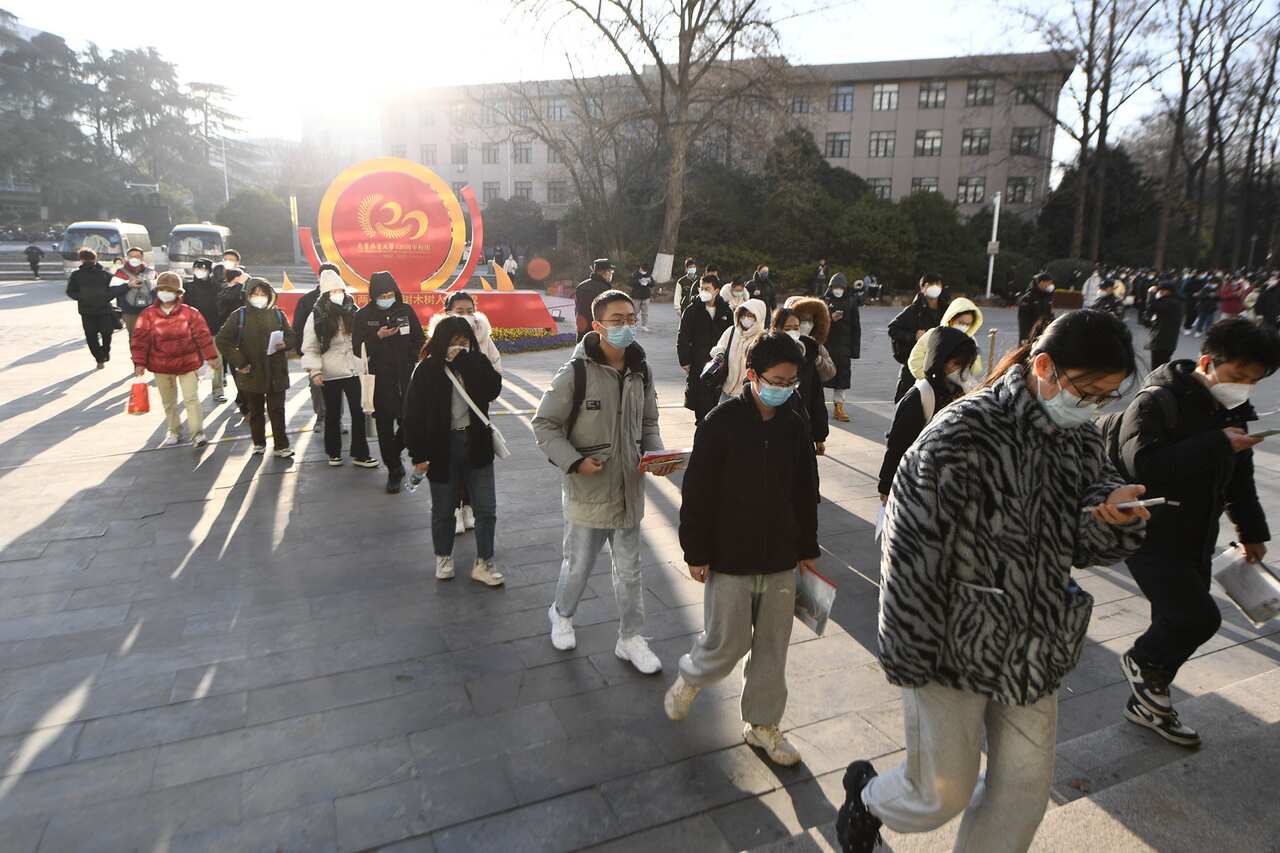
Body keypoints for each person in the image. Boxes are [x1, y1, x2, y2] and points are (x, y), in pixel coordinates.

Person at [836, 309, 1149, 853]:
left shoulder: (1077, 437)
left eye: (1107, 396)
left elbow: (1081, 530)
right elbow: (909, 550)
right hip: (950, 645)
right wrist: (910, 654)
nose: (1095, 407)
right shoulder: (961, 434)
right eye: (1087, 391)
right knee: (939, 790)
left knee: (1024, 791)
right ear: (1044, 365)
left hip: (1035, 639)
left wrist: (1110, 514)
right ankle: (866, 799)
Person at [1108, 317, 1280, 748]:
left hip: (1198, 534)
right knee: (1196, 617)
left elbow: (1238, 480)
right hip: (1150, 534)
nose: (1243, 386)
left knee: (1175, 618)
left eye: (1253, 381)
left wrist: (1252, 531)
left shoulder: (1234, 411)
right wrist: (1217, 443)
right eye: (1237, 375)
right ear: (1207, 361)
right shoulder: (1156, 402)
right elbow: (1143, 468)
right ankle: (1143, 663)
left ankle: (1149, 702)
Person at [664, 332, 820, 766]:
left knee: (773, 648)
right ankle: (693, 677)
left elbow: (807, 489)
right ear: (751, 375)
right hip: (730, 556)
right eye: (777, 379)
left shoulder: (795, 423)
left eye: (792, 381)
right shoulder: (721, 422)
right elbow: (697, 492)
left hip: (781, 559)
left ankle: (763, 724)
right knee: (726, 642)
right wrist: (696, 550)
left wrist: (807, 545)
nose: (785, 388)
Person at [533, 289, 672, 674]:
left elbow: (649, 422)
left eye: (631, 318)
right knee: (578, 564)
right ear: (597, 325)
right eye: (617, 320)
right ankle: (562, 614)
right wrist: (575, 463)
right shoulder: (575, 373)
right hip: (588, 491)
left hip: (629, 488)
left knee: (630, 570)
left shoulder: (641, 369)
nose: (627, 326)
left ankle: (631, 638)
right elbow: (544, 424)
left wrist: (656, 455)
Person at [402, 315, 505, 588]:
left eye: (464, 342)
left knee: (486, 508)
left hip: (476, 444)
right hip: (441, 448)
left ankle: (484, 562)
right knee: (444, 508)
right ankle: (443, 557)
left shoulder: (477, 362)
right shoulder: (426, 370)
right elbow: (412, 416)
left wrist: (470, 364)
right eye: (453, 342)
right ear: (440, 342)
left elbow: (494, 389)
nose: (459, 347)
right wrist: (419, 456)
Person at [877, 327, 979, 502]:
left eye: (965, 364)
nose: (961, 370)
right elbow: (897, 444)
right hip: (916, 482)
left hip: (948, 485)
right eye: (955, 363)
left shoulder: (959, 391)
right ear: (939, 359)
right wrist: (886, 484)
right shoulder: (920, 395)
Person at [428, 291, 502, 531]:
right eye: (460, 312)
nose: (467, 316)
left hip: (475, 411)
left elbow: (495, 370)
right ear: (447, 312)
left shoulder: (484, 337)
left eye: (470, 311)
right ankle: (456, 510)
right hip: (445, 417)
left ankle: (468, 507)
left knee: (476, 463)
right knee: (451, 467)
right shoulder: (439, 338)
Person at [353, 270, 425, 493]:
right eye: (382, 294)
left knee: (409, 422)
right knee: (384, 426)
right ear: (374, 295)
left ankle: (395, 452)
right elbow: (357, 348)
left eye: (390, 293)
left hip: (406, 378)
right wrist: (378, 337)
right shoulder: (363, 316)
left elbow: (419, 338)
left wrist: (412, 358)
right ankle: (394, 470)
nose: (387, 297)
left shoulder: (405, 310)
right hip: (380, 381)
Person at [130, 272, 219, 447]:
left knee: (191, 398)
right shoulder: (148, 314)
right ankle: (173, 430)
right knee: (169, 402)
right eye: (161, 289)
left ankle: (197, 433)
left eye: (169, 290)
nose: (165, 293)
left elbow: (203, 336)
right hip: (160, 365)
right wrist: (139, 363)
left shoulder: (190, 313)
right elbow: (140, 340)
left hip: (188, 363)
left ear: (178, 293)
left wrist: (211, 357)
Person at [301, 270, 377, 468]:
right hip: (330, 372)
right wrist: (315, 371)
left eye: (340, 290)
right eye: (332, 291)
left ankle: (360, 454)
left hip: (353, 370)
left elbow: (363, 339)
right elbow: (310, 346)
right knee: (333, 414)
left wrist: (366, 361)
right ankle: (333, 452)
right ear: (325, 293)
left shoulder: (353, 310)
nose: (337, 293)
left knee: (359, 413)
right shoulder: (317, 315)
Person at [215, 277, 296, 458]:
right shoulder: (239, 315)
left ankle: (281, 446)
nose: (259, 297)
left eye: (263, 294)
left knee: (277, 410)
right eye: (255, 294)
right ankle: (258, 443)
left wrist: (285, 343)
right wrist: (240, 362)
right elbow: (222, 340)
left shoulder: (277, 314)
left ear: (270, 296)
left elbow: (291, 336)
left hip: (276, 371)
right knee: (256, 410)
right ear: (248, 296)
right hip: (251, 371)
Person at [677, 274, 734, 425]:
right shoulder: (692, 310)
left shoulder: (726, 311)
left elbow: (732, 336)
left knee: (719, 408)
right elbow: (683, 336)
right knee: (702, 410)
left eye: (707, 289)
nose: (703, 291)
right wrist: (684, 360)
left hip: (720, 364)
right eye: (701, 288)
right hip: (698, 364)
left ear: (716, 291)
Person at [773, 308, 829, 456]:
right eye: (787, 328)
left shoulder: (809, 352)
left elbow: (816, 396)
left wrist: (819, 436)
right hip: (773, 429)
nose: (792, 332)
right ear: (776, 328)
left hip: (802, 427)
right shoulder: (766, 352)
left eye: (796, 328)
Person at [293, 264, 343, 432]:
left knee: (338, 390)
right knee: (317, 387)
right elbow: (299, 328)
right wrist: (305, 354)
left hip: (340, 357)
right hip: (318, 354)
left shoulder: (345, 301)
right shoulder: (308, 301)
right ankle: (321, 418)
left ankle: (338, 420)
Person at [887, 273, 949, 403]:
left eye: (937, 284)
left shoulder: (947, 310)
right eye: (930, 285)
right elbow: (893, 329)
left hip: (938, 363)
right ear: (922, 289)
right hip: (914, 362)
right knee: (905, 401)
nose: (935, 287)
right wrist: (913, 336)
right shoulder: (913, 310)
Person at [905, 295, 985, 393]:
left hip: (959, 389)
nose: (964, 327)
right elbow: (915, 360)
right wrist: (929, 379)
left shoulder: (969, 341)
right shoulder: (934, 335)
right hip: (930, 388)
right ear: (951, 319)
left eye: (968, 324)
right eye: (961, 322)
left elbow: (976, 368)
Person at [66, 247, 125, 369]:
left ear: (95, 258)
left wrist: (105, 297)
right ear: (82, 260)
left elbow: (115, 288)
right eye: (86, 259)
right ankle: (99, 357)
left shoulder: (104, 274)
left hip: (103, 310)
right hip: (87, 311)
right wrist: (83, 297)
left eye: (91, 258)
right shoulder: (76, 275)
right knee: (92, 336)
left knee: (105, 333)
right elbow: (71, 291)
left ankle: (104, 353)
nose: (89, 261)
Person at [709, 298, 768, 403]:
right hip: (726, 391)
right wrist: (719, 354)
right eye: (743, 315)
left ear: (759, 316)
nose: (745, 318)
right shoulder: (731, 331)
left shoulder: (763, 338)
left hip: (748, 395)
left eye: (750, 316)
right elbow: (720, 347)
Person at [183, 258, 225, 402]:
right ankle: (191, 389)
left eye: (203, 268)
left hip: (213, 328)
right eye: (197, 268)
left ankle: (218, 390)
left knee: (216, 360)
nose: (200, 270)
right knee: (192, 361)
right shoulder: (187, 287)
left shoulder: (217, 287)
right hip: (193, 331)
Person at [823, 273, 861, 421]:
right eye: (835, 287)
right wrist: (829, 319)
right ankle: (817, 405)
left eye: (841, 287)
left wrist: (854, 350)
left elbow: (856, 327)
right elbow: (817, 323)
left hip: (844, 347)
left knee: (842, 378)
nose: (838, 290)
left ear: (845, 288)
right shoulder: (824, 301)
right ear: (830, 288)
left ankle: (839, 407)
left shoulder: (851, 302)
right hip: (826, 346)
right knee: (820, 376)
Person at [114, 247, 156, 339]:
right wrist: (128, 286)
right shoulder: (120, 272)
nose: (134, 259)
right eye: (131, 256)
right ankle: (135, 353)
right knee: (134, 336)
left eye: (137, 256)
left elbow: (157, 290)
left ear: (142, 258)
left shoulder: (151, 272)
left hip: (148, 311)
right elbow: (113, 291)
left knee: (149, 336)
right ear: (127, 258)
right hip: (129, 311)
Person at [1143, 279, 1184, 371]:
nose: (1160, 293)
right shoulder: (1175, 301)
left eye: (1161, 290)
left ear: (1168, 291)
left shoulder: (1170, 302)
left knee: (1158, 366)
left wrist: (1150, 293)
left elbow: (1151, 306)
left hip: (1162, 340)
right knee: (1162, 365)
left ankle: (1157, 383)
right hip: (1166, 340)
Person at [575, 258, 615, 341]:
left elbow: (577, 309)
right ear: (603, 272)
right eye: (610, 271)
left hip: (582, 329)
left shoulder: (582, 286)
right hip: (598, 331)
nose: (611, 274)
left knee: (583, 351)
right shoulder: (604, 289)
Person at [1017, 272, 1056, 344]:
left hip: (1043, 333)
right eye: (1049, 283)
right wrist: (1024, 336)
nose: (1051, 285)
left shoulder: (1047, 296)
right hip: (1030, 332)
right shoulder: (1027, 298)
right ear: (1041, 283)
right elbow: (1023, 320)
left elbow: (1049, 313)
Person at [630, 262, 654, 332]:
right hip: (636, 296)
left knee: (645, 312)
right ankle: (632, 324)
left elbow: (653, 284)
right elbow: (630, 283)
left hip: (646, 296)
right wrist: (639, 281)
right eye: (643, 268)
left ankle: (644, 325)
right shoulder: (635, 274)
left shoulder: (649, 275)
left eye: (645, 269)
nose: (644, 270)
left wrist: (649, 282)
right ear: (640, 267)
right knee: (635, 311)